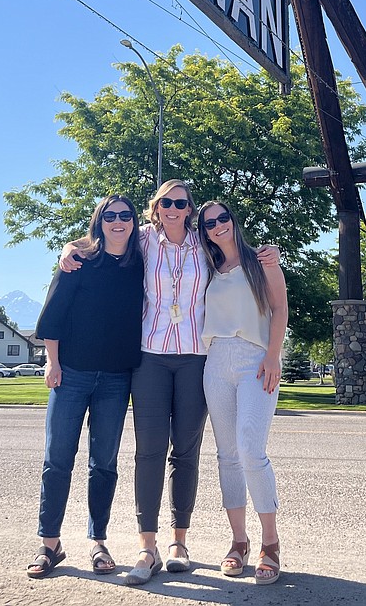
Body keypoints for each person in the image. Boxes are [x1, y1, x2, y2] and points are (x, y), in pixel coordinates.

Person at [59, 180, 278, 585]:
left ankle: (180, 542)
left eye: (181, 203)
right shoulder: (142, 240)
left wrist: (269, 254)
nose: (173, 209)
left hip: (197, 358)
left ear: (190, 209)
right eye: (165, 203)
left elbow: (238, 256)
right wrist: (68, 249)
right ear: (154, 208)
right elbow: (100, 238)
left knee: (187, 452)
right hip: (150, 357)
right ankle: (148, 546)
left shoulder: (205, 244)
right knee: (150, 451)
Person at [26, 195, 144, 579]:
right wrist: (52, 362)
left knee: (104, 463)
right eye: (110, 215)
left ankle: (98, 541)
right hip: (71, 374)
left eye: (125, 215)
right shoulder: (78, 262)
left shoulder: (140, 263)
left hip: (116, 378)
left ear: (133, 222)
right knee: (57, 459)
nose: (118, 221)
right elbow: (53, 315)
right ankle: (49, 544)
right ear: (99, 221)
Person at [198, 200, 289, 585]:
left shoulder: (262, 260)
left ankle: (271, 543)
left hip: (255, 359)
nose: (217, 226)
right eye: (208, 223)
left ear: (234, 220)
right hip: (216, 361)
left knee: (251, 448)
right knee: (227, 455)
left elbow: (280, 308)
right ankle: (239, 541)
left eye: (223, 218)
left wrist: (273, 355)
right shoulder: (207, 268)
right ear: (203, 232)